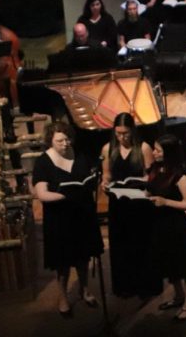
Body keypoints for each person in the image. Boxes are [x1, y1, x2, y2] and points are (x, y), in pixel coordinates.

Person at [32, 122, 104, 316]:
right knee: (63, 262)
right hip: (60, 218)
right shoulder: (43, 162)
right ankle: (63, 296)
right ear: (50, 141)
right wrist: (66, 196)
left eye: (67, 139)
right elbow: (42, 194)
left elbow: (88, 177)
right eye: (59, 141)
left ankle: (84, 289)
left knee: (83, 257)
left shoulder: (78, 154)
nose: (65, 144)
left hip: (82, 214)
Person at [100, 113, 161, 299]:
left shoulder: (143, 148)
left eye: (125, 133)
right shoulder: (108, 148)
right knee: (121, 243)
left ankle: (146, 285)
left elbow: (151, 176)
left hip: (139, 202)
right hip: (119, 203)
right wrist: (104, 183)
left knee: (141, 241)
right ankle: (125, 285)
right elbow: (107, 175)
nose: (122, 137)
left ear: (132, 131)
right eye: (118, 133)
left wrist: (140, 181)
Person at [146, 134, 186, 321]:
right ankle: (178, 296)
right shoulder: (155, 169)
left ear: (168, 153)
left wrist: (165, 201)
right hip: (159, 224)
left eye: (158, 150)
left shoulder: (181, 176)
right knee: (170, 264)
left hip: (176, 226)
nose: (153, 152)